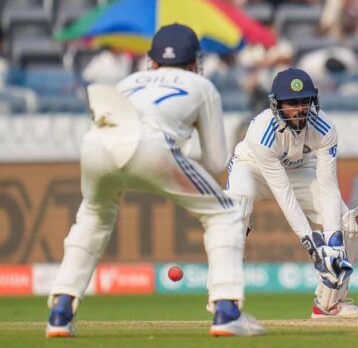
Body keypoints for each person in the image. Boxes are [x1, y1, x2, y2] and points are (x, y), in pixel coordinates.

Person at [45, 24, 265, 338]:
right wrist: (184, 142)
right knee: (226, 213)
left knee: (93, 217)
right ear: (194, 62)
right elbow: (217, 161)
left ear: (153, 61)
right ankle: (227, 310)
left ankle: (60, 312)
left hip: (95, 145)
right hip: (152, 145)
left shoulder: (127, 81)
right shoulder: (201, 85)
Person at [225, 67, 358, 318]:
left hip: (299, 169)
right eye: (292, 103)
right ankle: (224, 300)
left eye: (305, 101)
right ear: (277, 105)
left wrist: (332, 242)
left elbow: (328, 185)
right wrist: (312, 243)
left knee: (348, 224)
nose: (300, 109)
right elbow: (284, 195)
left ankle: (327, 305)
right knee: (236, 211)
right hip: (252, 168)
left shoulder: (324, 127)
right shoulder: (261, 133)